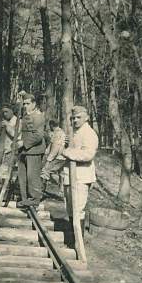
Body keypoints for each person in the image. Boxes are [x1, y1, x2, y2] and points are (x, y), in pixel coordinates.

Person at [60, 106, 98, 248]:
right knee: (70, 209)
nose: (75, 120)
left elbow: (88, 154)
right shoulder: (75, 133)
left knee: (78, 209)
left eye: (78, 117)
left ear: (86, 118)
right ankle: (71, 241)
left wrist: (68, 152)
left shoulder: (89, 133)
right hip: (70, 175)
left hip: (81, 177)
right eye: (73, 118)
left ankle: (77, 243)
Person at [16, 93, 46, 208]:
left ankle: (34, 199)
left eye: (28, 104)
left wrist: (24, 143)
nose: (25, 106)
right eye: (24, 104)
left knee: (32, 176)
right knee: (23, 175)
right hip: (24, 150)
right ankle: (25, 198)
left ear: (34, 104)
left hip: (34, 150)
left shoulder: (38, 117)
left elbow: (38, 136)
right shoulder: (26, 115)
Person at [40, 119, 66, 195]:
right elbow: (51, 146)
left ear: (51, 125)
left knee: (45, 171)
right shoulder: (59, 132)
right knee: (61, 173)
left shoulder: (58, 133)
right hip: (62, 157)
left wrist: (49, 160)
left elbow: (55, 149)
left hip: (58, 157)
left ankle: (40, 192)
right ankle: (62, 192)